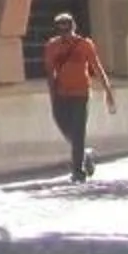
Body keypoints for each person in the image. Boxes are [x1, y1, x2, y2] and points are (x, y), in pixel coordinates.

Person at [41, 11, 114, 181]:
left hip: (80, 94)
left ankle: (77, 171)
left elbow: (97, 68)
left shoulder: (84, 44)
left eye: (67, 28)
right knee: (66, 129)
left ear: (73, 26)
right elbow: (50, 73)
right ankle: (85, 154)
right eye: (61, 29)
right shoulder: (52, 46)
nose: (64, 32)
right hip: (60, 94)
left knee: (78, 131)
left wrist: (108, 92)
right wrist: (53, 96)